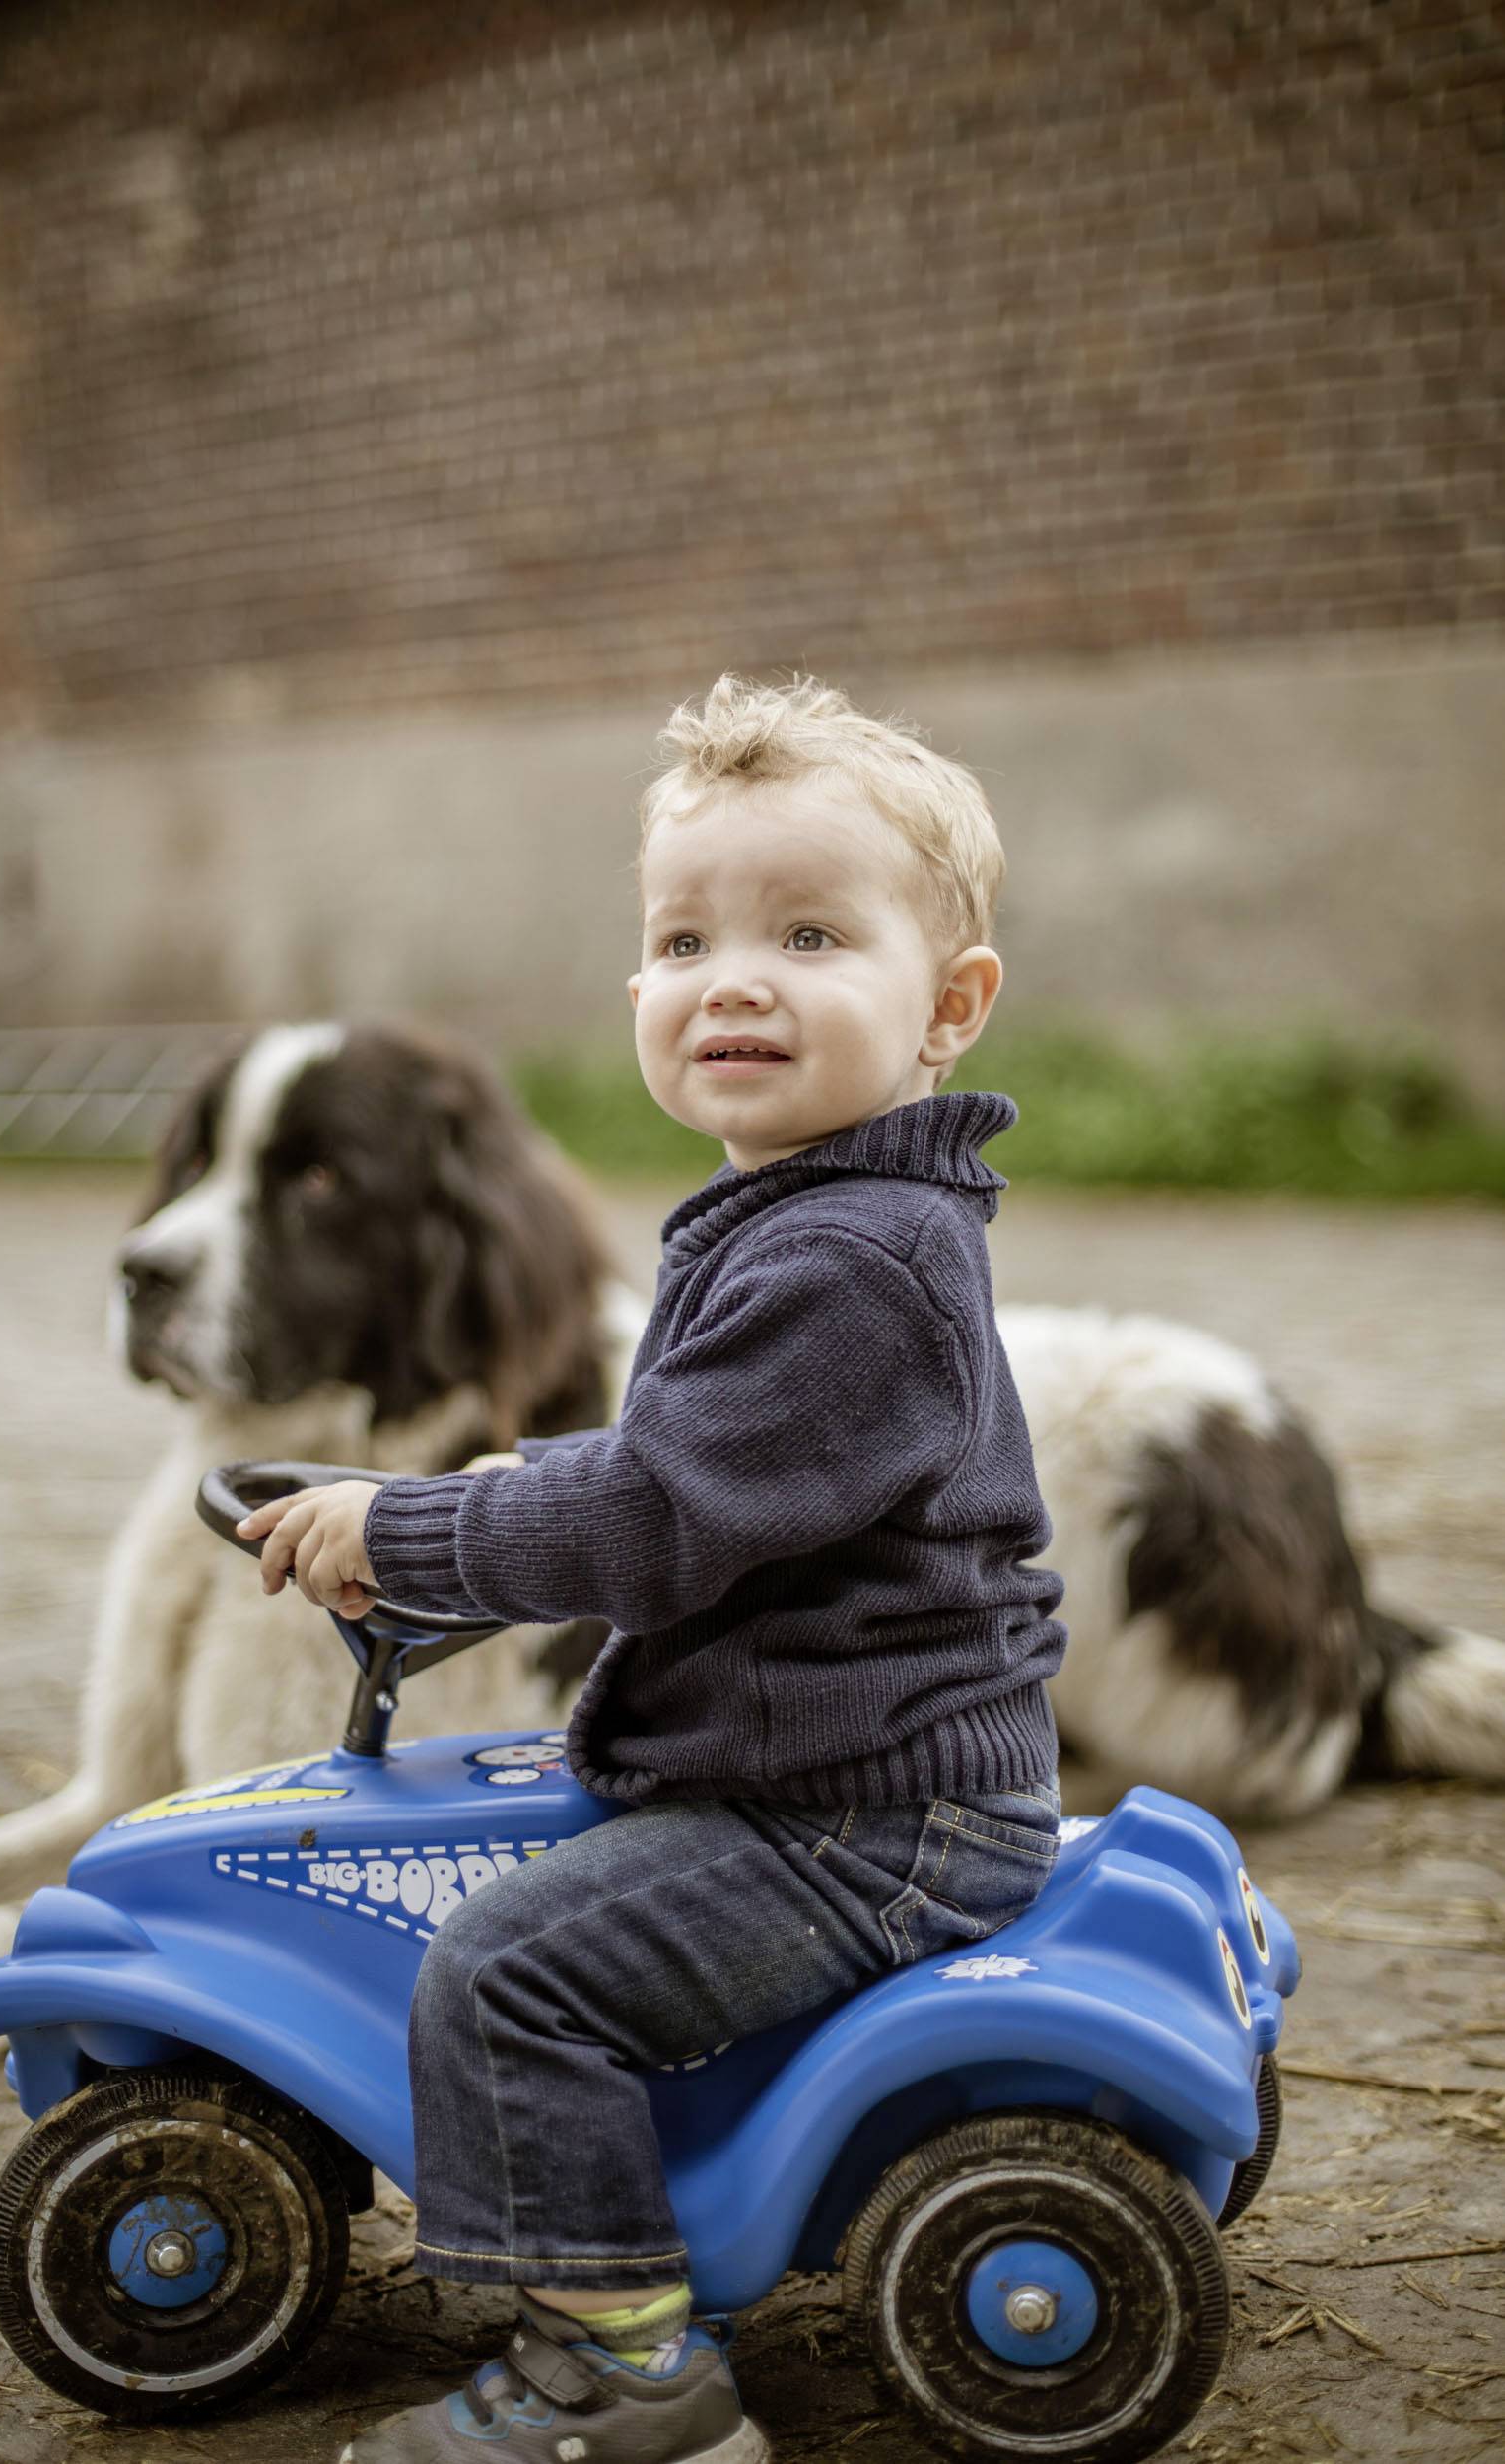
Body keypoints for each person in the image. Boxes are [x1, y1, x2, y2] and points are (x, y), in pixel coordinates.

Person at [236, 673, 1068, 2464]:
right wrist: (461, 1511)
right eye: (684, 937)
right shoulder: (806, 1216)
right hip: (836, 1767)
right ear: (634, 994)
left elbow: (657, 1520)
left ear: (951, 1010)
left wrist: (418, 1527)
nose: (734, 977)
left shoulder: (852, 1263)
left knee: (507, 1966)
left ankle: (624, 2374)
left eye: (812, 933)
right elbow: (678, 1488)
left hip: (862, 1816)